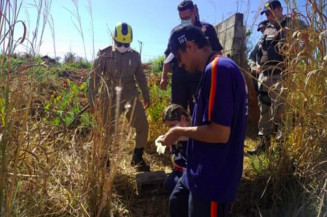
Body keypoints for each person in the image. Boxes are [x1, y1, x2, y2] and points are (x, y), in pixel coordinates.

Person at [162, 25, 248, 217]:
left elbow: (219, 133)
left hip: (213, 178)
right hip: (200, 171)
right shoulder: (216, 69)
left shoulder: (218, 69)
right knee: (177, 201)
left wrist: (179, 132)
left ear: (191, 46)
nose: (179, 64)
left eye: (179, 57)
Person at [88, 22, 150, 172]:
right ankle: (104, 161)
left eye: (126, 43)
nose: (123, 45)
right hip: (109, 95)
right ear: (114, 39)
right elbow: (94, 78)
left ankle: (137, 158)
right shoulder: (105, 53)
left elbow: (140, 77)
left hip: (130, 95)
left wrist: (146, 96)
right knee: (106, 130)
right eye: (120, 43)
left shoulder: (135, 56)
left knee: (143, 126)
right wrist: (91, 100)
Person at [247, 0, 306, 154]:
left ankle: (282, 149)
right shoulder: (267, 29)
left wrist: (301, 56)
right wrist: (254, 65)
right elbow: (253, 55)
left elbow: (308, 34)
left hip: (281, 76)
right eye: (266, 13)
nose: (268, 15)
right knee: (264, 112)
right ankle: (264, 144)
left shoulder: (291, 23)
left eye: (271, 11)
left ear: (280, 9)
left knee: (281, 113)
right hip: (264, 78)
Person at [160, 0, 223, 114]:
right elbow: (168, 55)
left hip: (199, 79)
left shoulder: (207, 29)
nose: (184, 21)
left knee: (198, 111)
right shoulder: (176, 31)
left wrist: (218, 74)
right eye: (181, 18)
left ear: (194, 12)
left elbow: (217, 52)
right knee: (177, 111)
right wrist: (163, 77)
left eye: (187, 17)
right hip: (179, 78)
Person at [162, 104, 190, 193]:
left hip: (193, 172)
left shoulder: (197, 130)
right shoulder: (176, 134)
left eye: (173, 126)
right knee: (169, 185)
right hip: (180, 170)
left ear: (183, 118)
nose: (171, 130)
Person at [248, 20, 269, 95]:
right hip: (262, 79)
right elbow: (251, 57)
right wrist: (253, 66)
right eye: (261, 30)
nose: (263, 31)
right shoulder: (260, 43)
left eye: (264, 28)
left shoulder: (278, 37)